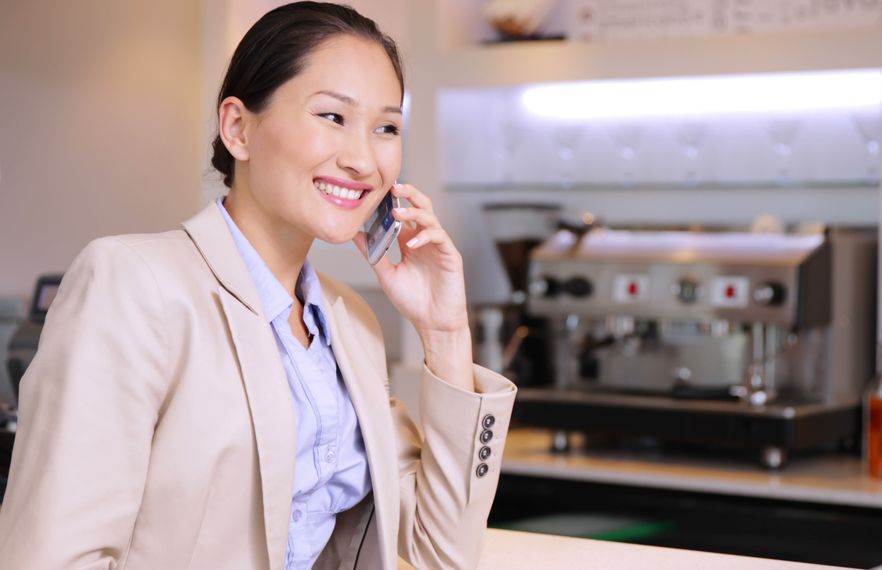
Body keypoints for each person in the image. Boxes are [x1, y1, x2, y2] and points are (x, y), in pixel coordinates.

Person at [0, 3, 516, 569]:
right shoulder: (133, 283)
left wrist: (443, 330)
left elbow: (439, 553)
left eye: (386, 128)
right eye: (332, 117)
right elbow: (51, 556)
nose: (363, 159)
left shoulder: (349, 326)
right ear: (238, 128)